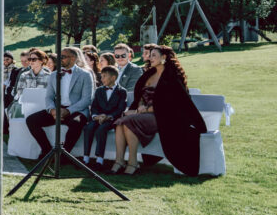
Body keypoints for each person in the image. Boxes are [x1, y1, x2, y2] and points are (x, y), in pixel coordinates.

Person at [112, 45, 205, 175]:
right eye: (150, 55)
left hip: (165, 117)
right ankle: (119, 161)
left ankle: (132, 163)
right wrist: (135, 109)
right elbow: (140, 96)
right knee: (120, 123)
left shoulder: (172, 77)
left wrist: (145, 110)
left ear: (164, 57)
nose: (150, 58)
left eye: (154, 55)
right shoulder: (149, 74)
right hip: (144, 115)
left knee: (128, 122)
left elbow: (175, 103)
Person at [24, 46, 94, 159]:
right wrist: (52, 110)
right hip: (57, 109)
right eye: (59, 57)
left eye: (63, 57)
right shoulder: (53, 75)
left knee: (76, 123)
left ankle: (64, 156)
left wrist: (68, 111)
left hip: (77, 110)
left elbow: (87, 99)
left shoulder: (85, 75)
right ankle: (47, 151)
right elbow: (49, 97)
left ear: (73, 58)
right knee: (31, 120)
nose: (59, 59)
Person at [81, 65, 127, 169]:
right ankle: (85, 158)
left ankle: (99, 159)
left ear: (113, 78)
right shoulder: (99, 90)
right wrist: (96, 116)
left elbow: (120, 109)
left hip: (111, 119)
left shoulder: (121, 91)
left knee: (101, 130)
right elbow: (94, 107)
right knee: (88, 128)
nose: (101, 79)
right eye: (101, 76)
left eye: (104, 76)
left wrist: (108, 116)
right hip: (98, 118)